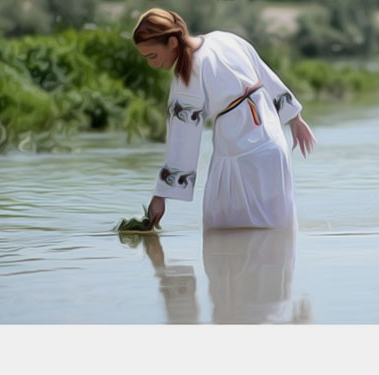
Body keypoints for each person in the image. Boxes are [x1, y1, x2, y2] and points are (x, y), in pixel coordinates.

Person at [132, 8, 316, 230]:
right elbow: (265, 73)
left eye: (152, 56)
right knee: (276, 230)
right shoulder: (224, 38)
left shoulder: (187, 74)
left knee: (226, 232)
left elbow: (182, 141)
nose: (151, 63)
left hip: (240, 154)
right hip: (274, 145)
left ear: (172, 42)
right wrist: (295, 117)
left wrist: (161, 195)